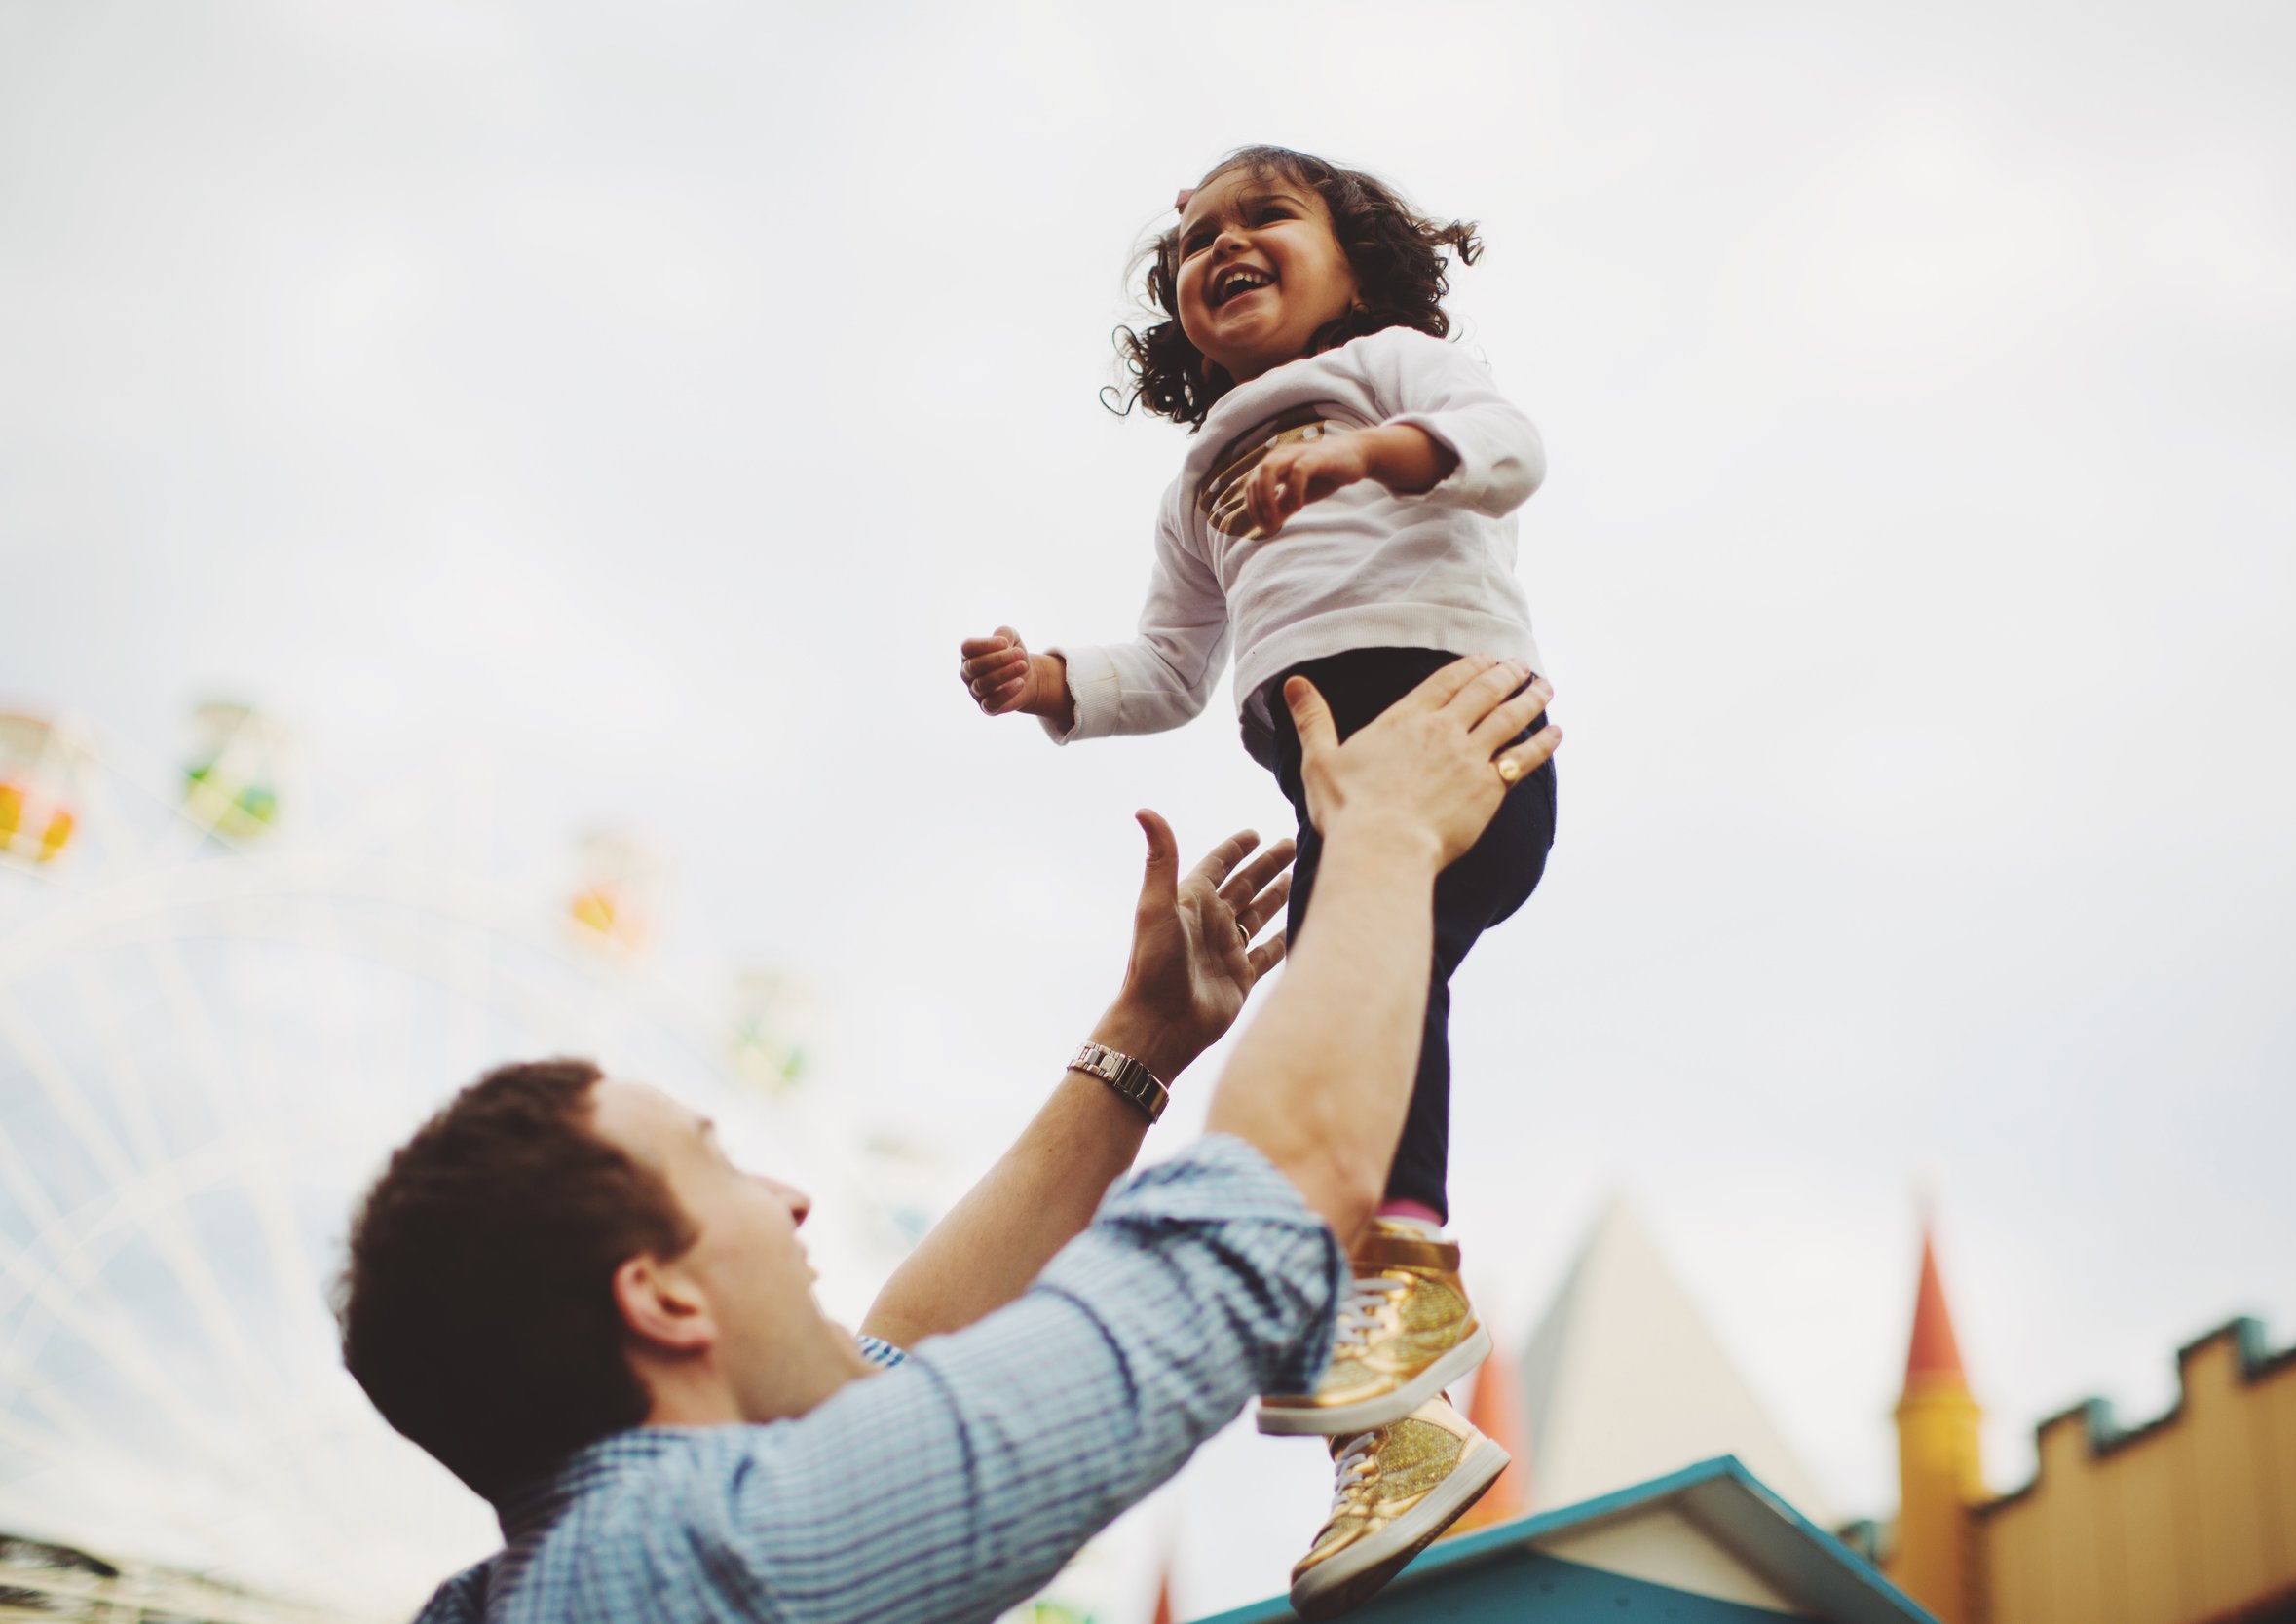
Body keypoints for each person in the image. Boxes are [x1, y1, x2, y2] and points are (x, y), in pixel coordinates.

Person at [337, 658, 1559, 1624]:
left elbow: (911, 1354)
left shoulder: (557, 1581)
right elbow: (1253, 1221)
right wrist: (1387, 843)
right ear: (659, 1298)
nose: (793, 1199)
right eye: (721, 1165)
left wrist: (1137, 1048)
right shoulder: (711, 1565)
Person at [957, 145, 1555, 1568]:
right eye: (1193, 238)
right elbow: (1171, 663)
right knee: (1359, 1021)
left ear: (1357, 258)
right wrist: (1053, 678)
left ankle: (1399, 1277)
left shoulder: (1398, 366)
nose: (1220, 243)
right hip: (1331, 776)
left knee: (1349, 1015)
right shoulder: (1202, 470)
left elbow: (1513, 450)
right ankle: (1390, 1415)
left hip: (1454, 737)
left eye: (1263, 214)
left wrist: (1364, 452)